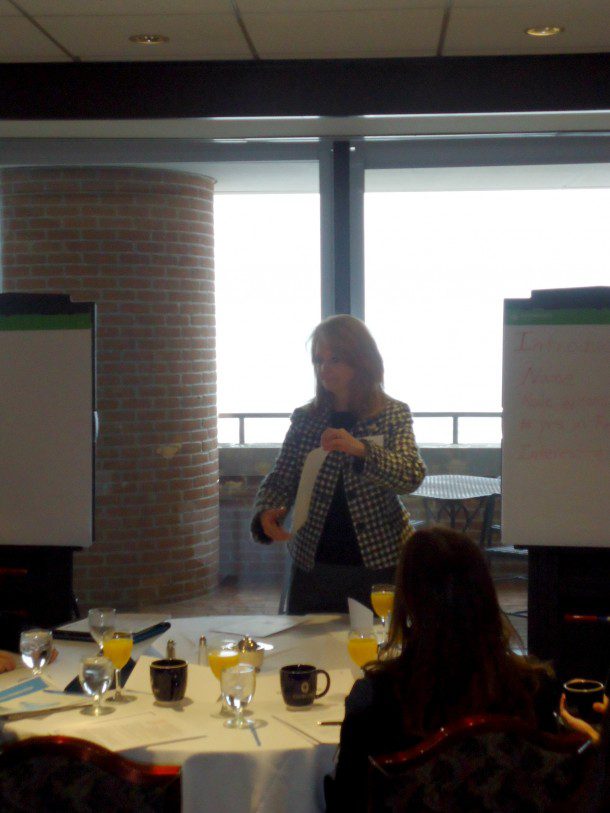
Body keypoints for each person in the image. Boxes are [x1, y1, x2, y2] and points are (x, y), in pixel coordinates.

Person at [325, 526, 558, 812]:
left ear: (408, 602)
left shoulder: (377, 700)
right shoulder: (536, 691)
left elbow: (347, 802)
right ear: (487, 594)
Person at [251, 314, 426, 613]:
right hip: (314, 560)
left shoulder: (392, 413)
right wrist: (267, 510)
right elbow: (282, 476)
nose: (324, 368)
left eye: (335, 359)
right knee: (307, 640)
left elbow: (411, 475)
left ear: (362, 360)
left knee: (377, 640)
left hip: (380, 560)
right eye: (319, 360)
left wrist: (363, 451)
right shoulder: (306, 418)